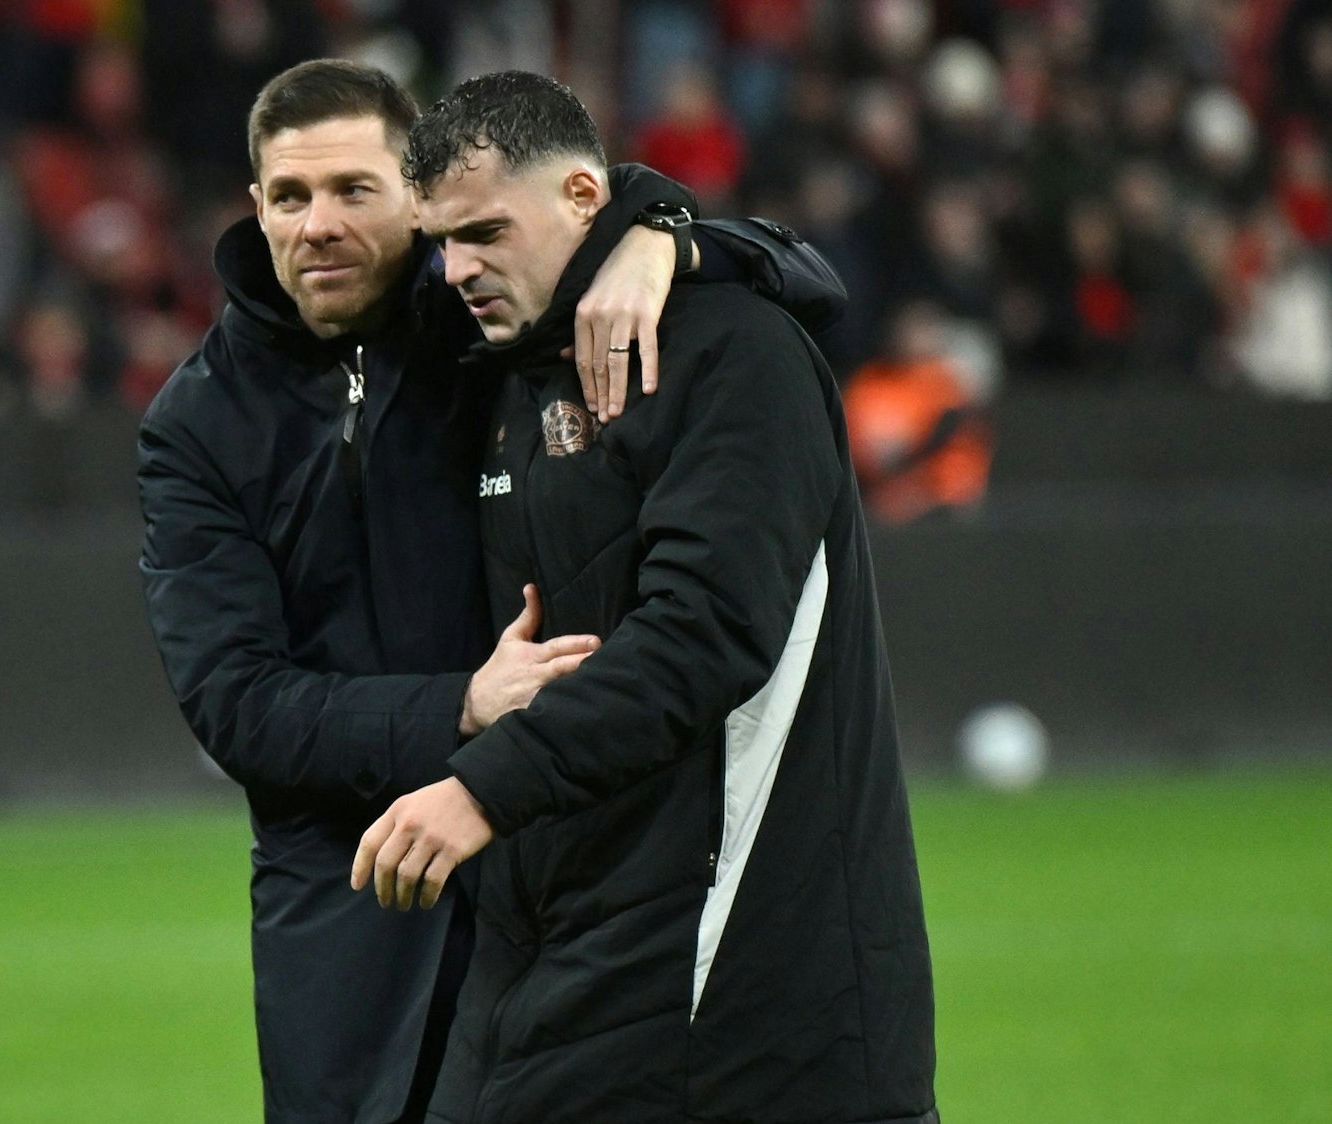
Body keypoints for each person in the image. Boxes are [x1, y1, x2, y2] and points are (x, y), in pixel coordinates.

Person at [137, 61, 849, 1124]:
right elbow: (236, 704)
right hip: (350, 926)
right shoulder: (196, 426)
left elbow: (798, 277)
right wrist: (460, 710)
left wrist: (666, 238)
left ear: (416, 196)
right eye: (290, 197)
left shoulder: (487, 326)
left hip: (554, 894)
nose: (319, 223)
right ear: (255, 207)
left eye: (354, 192)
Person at [352, 71, 939, 1123]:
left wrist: (480, 786)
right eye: (443, 240)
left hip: (730, 976)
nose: (459, 268)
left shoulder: (732, 351)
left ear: (583, 200)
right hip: (557, 953)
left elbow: (703, 633)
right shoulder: (505, 375)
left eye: (485, 230)